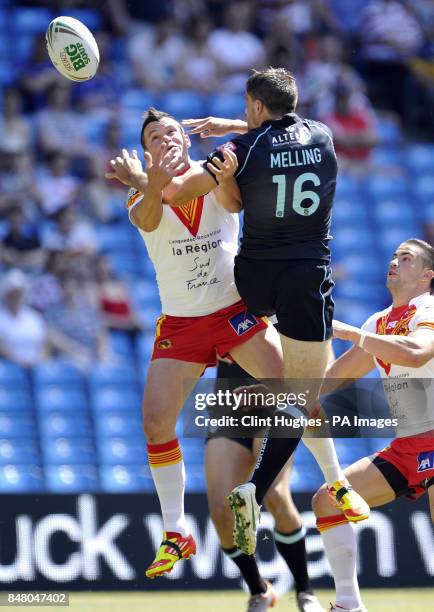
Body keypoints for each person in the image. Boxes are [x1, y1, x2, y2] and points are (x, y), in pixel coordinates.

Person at [106, 107, 366, 591]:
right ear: (146, 150)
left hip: (235, 314)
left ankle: (337, 482)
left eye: (170, 131)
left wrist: (223, 134)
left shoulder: (216, 171)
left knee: (294, 393)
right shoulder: (138, 192)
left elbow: (255, 164)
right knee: (155, 422)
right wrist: (148, 183)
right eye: (154, 136)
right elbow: (145, 218)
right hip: (182, 323)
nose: (165, 139)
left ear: (184, 138)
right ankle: (176, 530)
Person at [312, 238, 434, 612]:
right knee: (326, 502)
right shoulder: (377, 322)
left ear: (428, 275)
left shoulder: (427, 308)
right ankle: (349, 605)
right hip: (407, 447)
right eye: (394, 255)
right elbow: (334, 378)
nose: (394, 261)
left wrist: (351, 334)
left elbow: (416, 354)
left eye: (406, 258)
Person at [206, 360, 323, 612]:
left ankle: (305, 591)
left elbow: (321, 362)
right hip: (229, 408)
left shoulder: (293, 319)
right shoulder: (220, 317)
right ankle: (259, 590)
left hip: (275, 408)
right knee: (220, 510)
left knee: (275, 495)